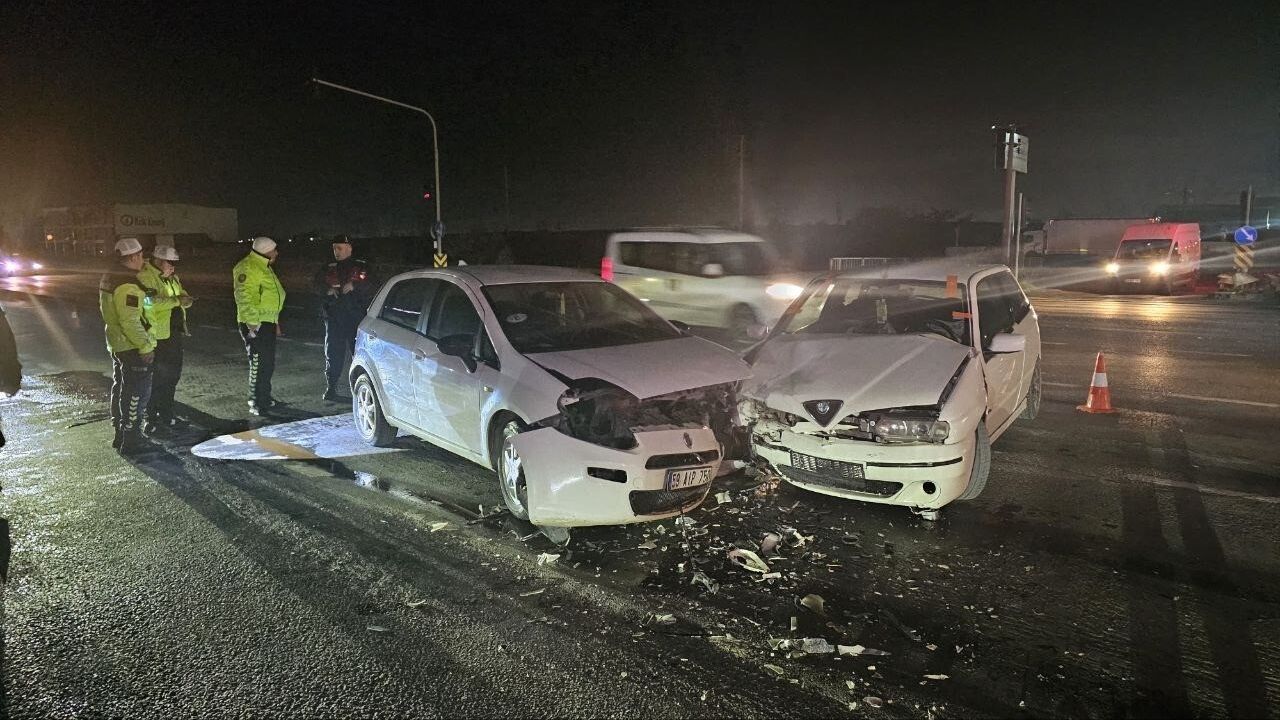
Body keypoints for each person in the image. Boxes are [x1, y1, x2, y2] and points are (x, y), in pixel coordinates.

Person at [100, 237, 156, 453]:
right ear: (133, 257)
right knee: (136, 393)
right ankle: (132, 440)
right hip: (131, 345)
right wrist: (145, 346)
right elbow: (130, 320)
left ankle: (121, 434)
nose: (143, 259)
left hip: (117, 342)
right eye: (141, 255)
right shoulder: (127, 285)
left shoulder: (111, 276)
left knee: (121, 387)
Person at [137, 244, 193, 433]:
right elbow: (149, 303)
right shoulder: (146, 277)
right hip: (157, 337)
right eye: (170, 263)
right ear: (159, 261)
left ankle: (167, 414)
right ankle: (151, 418)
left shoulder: (171, 277)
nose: (173, 267)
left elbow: (180, 293)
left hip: (173, 334)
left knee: (172, 376)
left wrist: (184, 298)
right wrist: (177, 301)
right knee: (157, 378)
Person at [314, 235, 373, 401]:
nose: (336, 251)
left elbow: (373, 284)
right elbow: (316, 283)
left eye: (339, 248)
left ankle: (363, 389)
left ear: (349, 248)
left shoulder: (361, 266)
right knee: (333, 354)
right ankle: (331, 387)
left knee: (360, 354)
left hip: (356, 318)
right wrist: (327, 290)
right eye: (334, 248)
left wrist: (355, 285)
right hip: (334, 318)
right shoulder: (328, 267)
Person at [233, 236, 286, 417]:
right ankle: (255, 401)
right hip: (256, 324)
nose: (277, 253)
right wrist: (252, 326)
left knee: (267, 363)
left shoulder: (263, 266)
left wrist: (275, 321)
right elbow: (245, 298)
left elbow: (270, 297)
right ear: (266, 251)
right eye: (274, 249)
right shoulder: (248, 267)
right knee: (258, 363)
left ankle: (265, 397)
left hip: (267, 322)